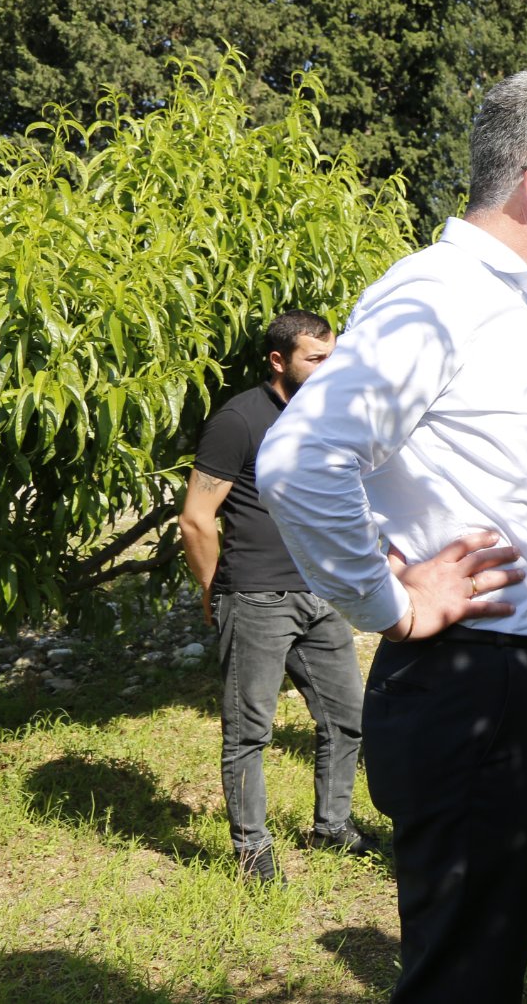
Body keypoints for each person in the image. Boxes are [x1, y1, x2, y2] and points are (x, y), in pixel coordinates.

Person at [257, 69, 527, 1004]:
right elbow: (301, 457)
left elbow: (486, 485)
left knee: (480, 967)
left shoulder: (496, 298)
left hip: (507, 677)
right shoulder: (443, 291)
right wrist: (391, 601)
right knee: (463, 979)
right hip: (472, 689)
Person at [178, 308, 372, 885]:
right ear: (278, 360)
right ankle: (252, 851)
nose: (328, 368)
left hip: (321, 593)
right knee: (249, 731)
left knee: (348, 718)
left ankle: (332, 826)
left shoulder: (332, 416)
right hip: (256, 595)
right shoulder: (239, 419)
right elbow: (195, 518)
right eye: (315, 359)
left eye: (334, 357)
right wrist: (214, 589)